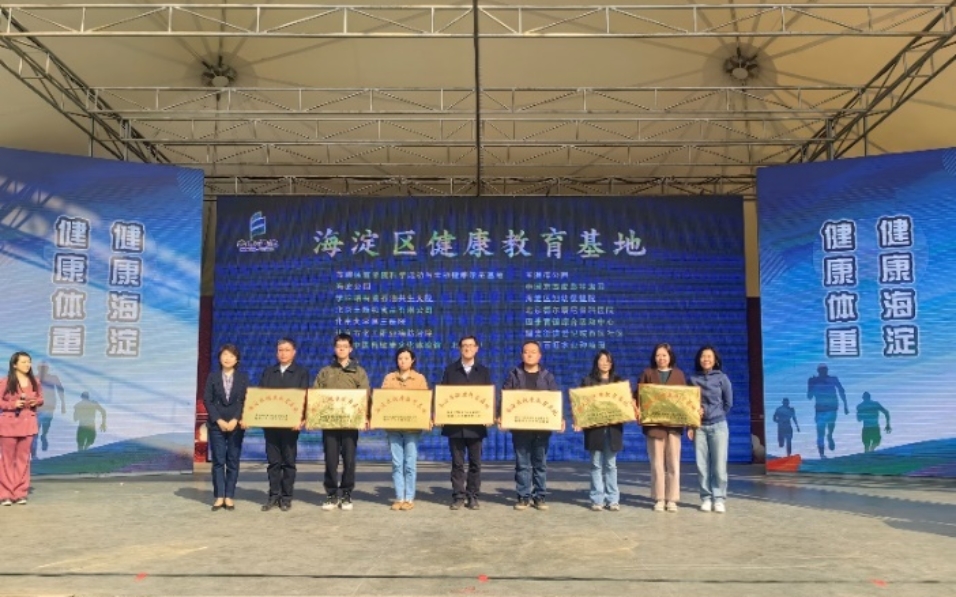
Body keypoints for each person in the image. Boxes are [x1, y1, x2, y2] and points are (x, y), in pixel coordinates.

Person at [501, 340, 562, 511]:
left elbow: (555, 400)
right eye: (526, 352)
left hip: (542, 429)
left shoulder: (547, 376)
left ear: (539, 355)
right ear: (522, 355)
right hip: (520, 428)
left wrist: (560, 418)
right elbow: (505, 397)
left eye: (533, 352)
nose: (529, 354)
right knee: (522, 464)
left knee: (540, 464)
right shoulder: (514, 375)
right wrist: (501, 416)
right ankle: (523, 496)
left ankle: (539, 496)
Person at [314, 333, 370, 512]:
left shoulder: (359, 372)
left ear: (350, 349)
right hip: (330, 424)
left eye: (345, 346)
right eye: (339, 346)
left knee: (349, 460)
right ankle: (331, 494)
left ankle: (346, 493)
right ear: (334, 348)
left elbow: (365, 396)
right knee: (330, 460)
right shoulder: (325, 371)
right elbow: (316, 394)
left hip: (350, 424)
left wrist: (365, 417)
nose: (341, 349)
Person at [439, 335, 493, 511]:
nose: (468, 348)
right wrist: (440, 415)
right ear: (460, 349)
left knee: (475, 463)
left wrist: (490, 415)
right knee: (457, 464)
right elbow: (443, 396)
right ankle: (458, 496)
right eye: (464, 345)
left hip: (476, 426)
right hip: (455, 426)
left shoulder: (483, 371)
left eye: (471, 345)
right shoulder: (450, 370)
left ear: (477, 348)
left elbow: (489, 397)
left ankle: (473, 496)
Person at [259, 338, 310, 512]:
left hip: (290, 425)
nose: (283, 353)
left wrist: (301, 418)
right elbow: (261, 397)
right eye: (280, 350)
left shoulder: (301, 372)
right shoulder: (268, 372)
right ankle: (273, 495)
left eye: (287, 350)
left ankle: (286, 497)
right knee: (273, 462)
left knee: (288, 462)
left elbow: (304, 397)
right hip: (271, 424)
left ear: (294, 352)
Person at [637, 343, 688, 513]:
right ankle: (659, 498)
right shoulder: (647, 373)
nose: (661, 358)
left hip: (673, 427)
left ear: (670, 357)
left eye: (664, 355)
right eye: (658, 355)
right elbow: (639, 396)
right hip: (654, 427)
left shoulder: (679, 375)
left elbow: (686, 400)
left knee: (673, 464)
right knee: (657, 464)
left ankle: (672, 499)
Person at [379, 346, 430, 511]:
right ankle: (399, 498)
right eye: (400, 358)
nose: (403, 361)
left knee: (410, 463)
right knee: (396, 463)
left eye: (406, 358)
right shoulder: (389, 378)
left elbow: (424, 401)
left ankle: (409, 498)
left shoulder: (419, 379)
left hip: (412, 429)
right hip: (393, 428)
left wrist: (426, 418)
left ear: (412, 360)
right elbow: (383, 400)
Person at [575, 349, 624, 512]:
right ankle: (597, 499)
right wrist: (579, 421)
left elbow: (624, 404)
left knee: (611, 465)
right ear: (596, 362)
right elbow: (580, 405)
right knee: (596, 465)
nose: (605, 363)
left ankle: (613, 499)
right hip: (594, 430)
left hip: (613, 429)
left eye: (608, 360)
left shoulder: (618, 382)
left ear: (612, 363)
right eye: (602, 360)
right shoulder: (588, 381)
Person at [203, 344, 248, 511]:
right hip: (217, 425)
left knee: (233, 460)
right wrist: (219, 420)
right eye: (224, 355)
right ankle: (219, 496)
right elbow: (207, 400)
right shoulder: (213, 377)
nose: (227, 358)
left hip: (236, 425)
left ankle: (229, 496)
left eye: (231, 355)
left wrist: (236, 419)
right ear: (220, 358)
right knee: (218, 461)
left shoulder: (243, 378)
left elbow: (245, 400)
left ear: (237, 360)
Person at [688, 345, 733, 514]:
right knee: (702, 466)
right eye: (703, 356)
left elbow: (728, 403)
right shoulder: (693, 379)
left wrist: (717, 414)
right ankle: (706, 498)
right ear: (699, 359)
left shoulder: (722, 378)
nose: (706, 359)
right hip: (699, 427)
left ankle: (719, 498)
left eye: (709, 356)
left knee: (719, 466)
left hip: (718, 426)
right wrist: (691, 424)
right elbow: (687, 404)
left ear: (715, 360)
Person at [0, 352, 43, 506]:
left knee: (23, 459)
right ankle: (6, 494)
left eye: (29, 362)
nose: (27, 365)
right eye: (23, 362)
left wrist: (35, 402)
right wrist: (13, 404)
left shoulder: (35, 381)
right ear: (14, 365)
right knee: (7, 460)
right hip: (9, 424)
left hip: (27, 423)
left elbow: (40, 398)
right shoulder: (5, 382)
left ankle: (20, 493)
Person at [807, 364, 848, 458]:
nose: (823, 372)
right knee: (820, 432)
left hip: (832, 407)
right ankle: (822, 454)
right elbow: (809, 396)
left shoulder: (833, 379)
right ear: (818, 371)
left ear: (827, 370)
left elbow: (841, 390)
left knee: (830, 426)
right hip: (820, 409)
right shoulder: (813, 380)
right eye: (821, 370)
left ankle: (830, 435)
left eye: (824, 370)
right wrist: (811, 385)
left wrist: (845, 405)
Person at [32, 362, 65, 458]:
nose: (43, 369)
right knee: (34, 432)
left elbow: (60, 389)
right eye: (41, 368)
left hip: (49, 407)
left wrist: (63, 404)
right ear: (38, 368)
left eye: (45, 368)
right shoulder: (34, 378)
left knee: (46, 425)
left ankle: (44, 435)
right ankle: (34, 455)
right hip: (37, 408)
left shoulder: (53, 378)